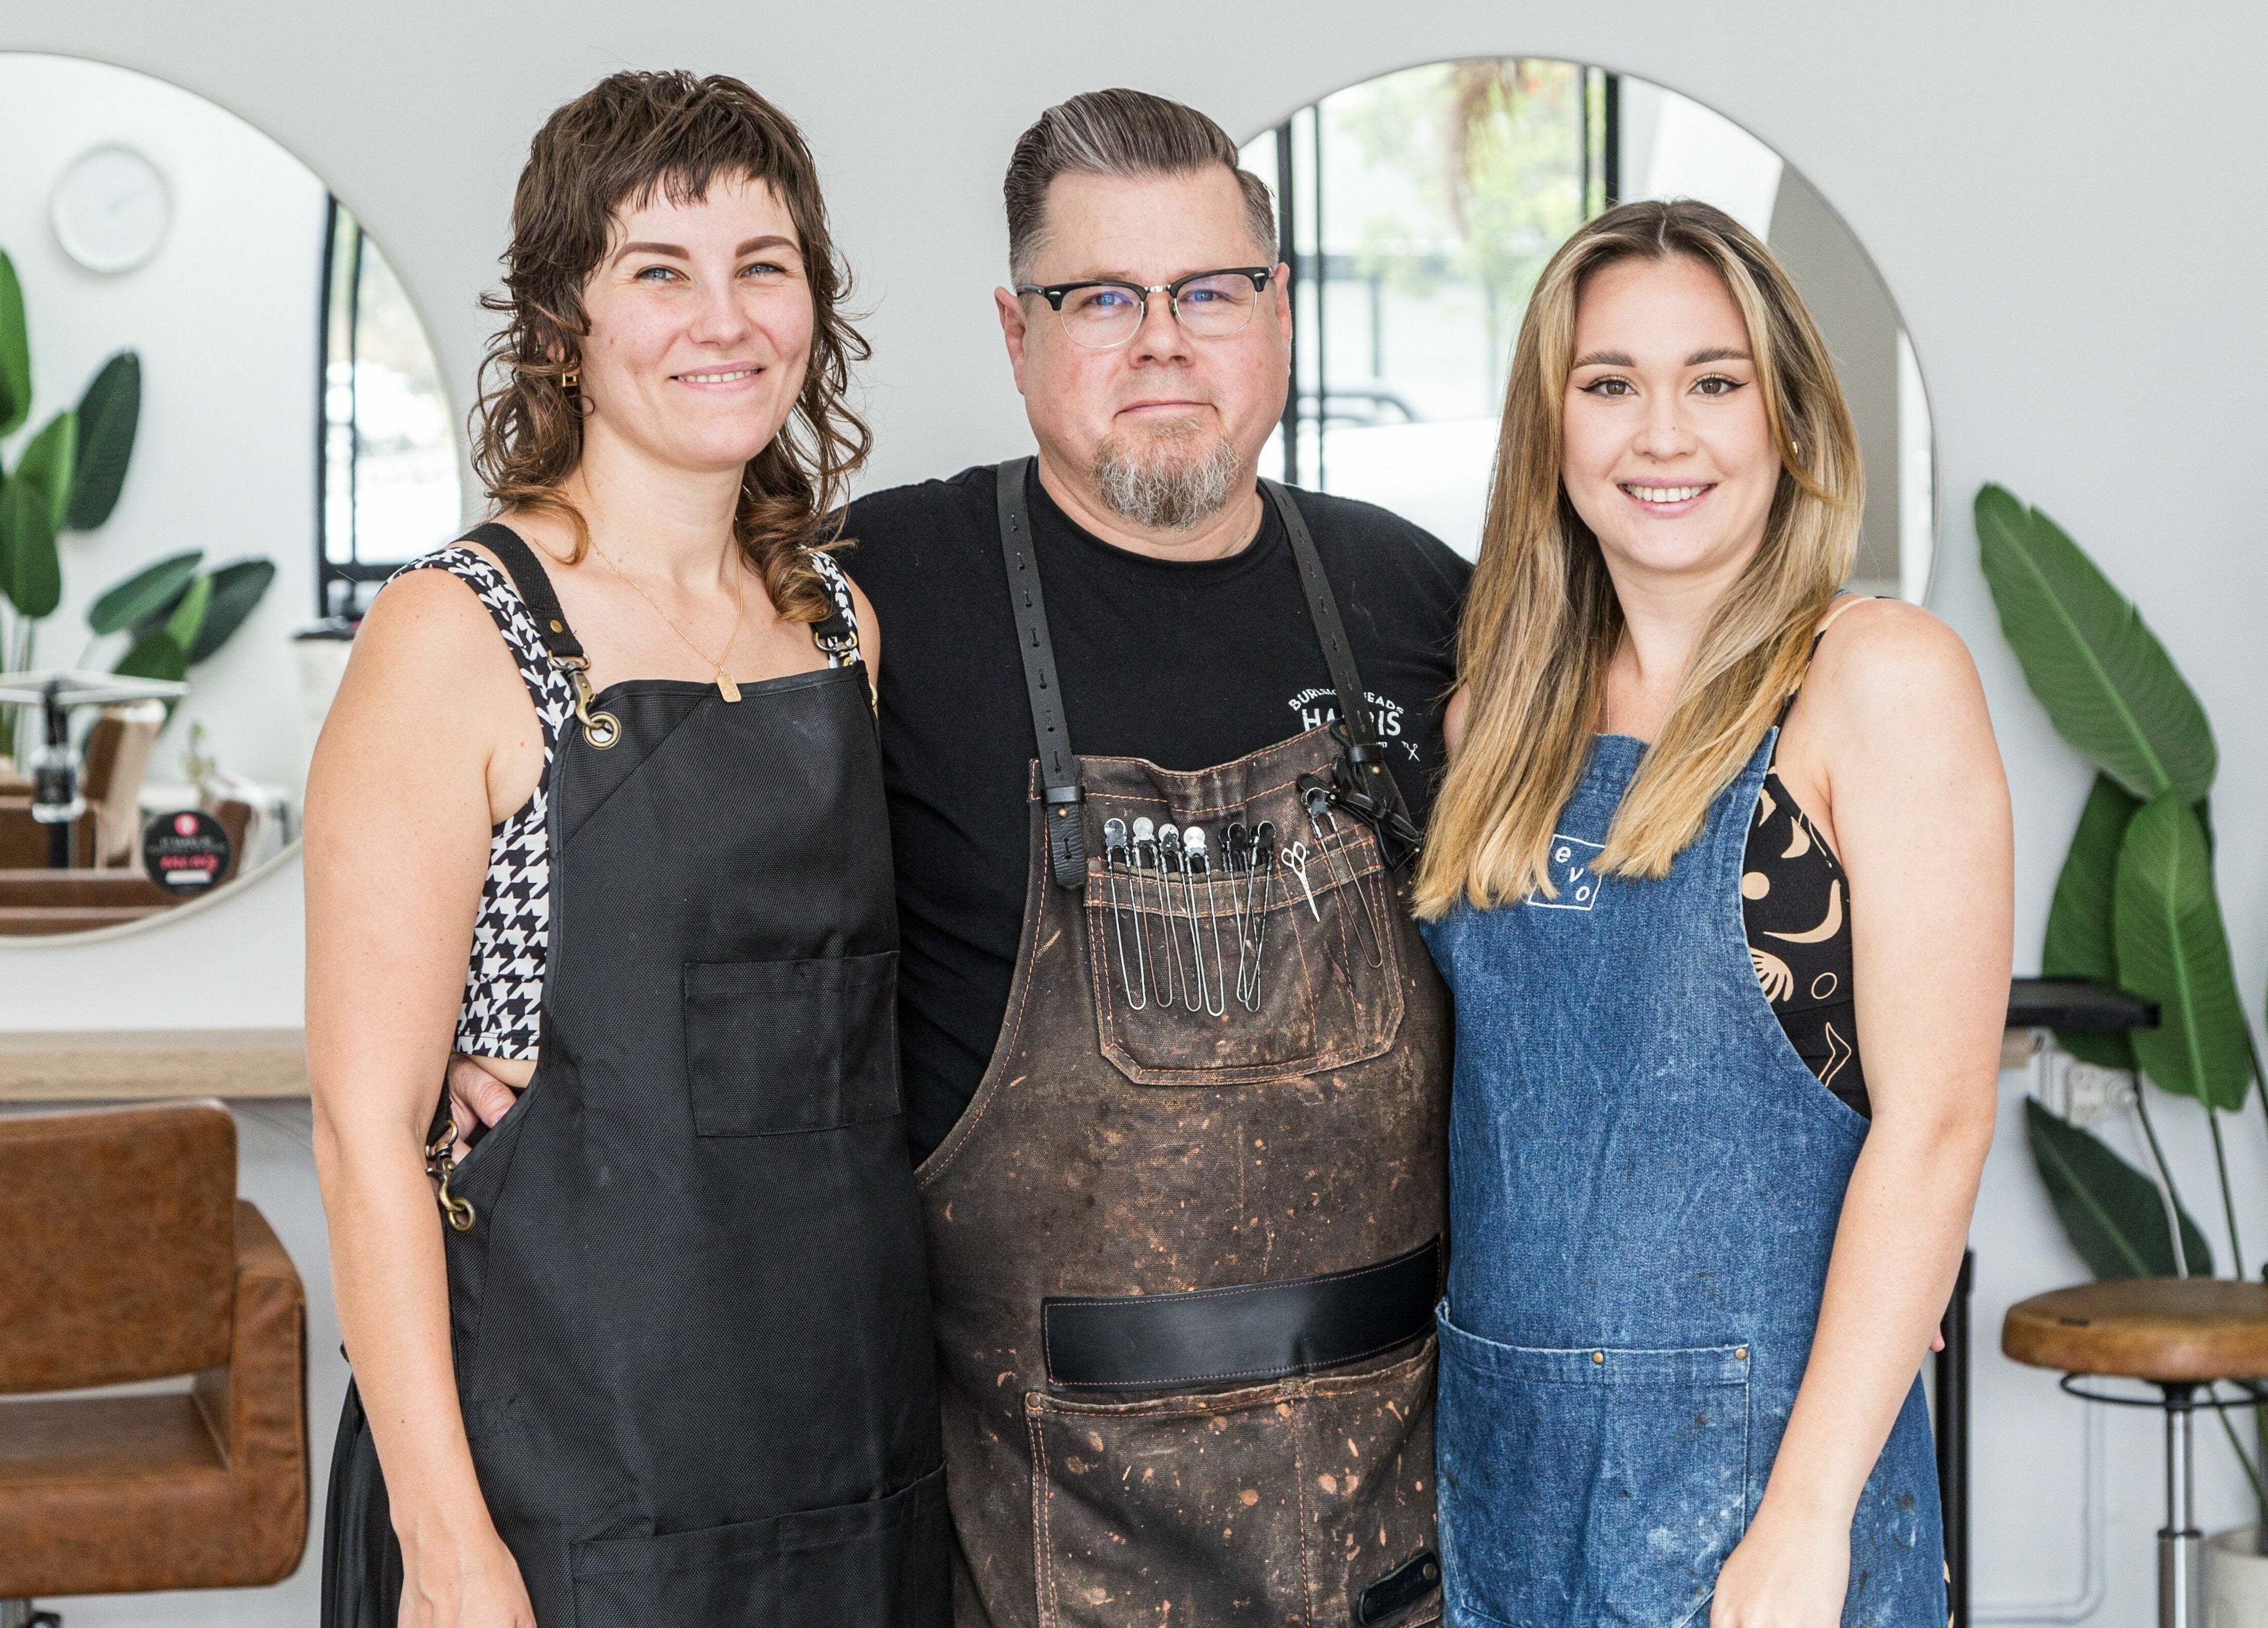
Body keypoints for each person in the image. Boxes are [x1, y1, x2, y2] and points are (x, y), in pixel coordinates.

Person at [307, 71, 949, 1628]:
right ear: (562, 322)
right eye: (658, 271)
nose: (720, 319)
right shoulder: (457, 631)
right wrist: (451, 1553)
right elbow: (364, 1131)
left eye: (764, 265)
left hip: (848, 1453)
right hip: (563, 1471)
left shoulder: (837, 631)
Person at [1415, 198, 2007, 1628]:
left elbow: (1934, 1127)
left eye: (1715, 383)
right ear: (1551, 434)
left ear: (1789, 421)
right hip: (1502, 1464)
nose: (1662, 435)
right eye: (1610, 384)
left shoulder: (1874, 682)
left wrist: (1804, 1526)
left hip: (1764, 1480)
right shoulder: (1493, 719)